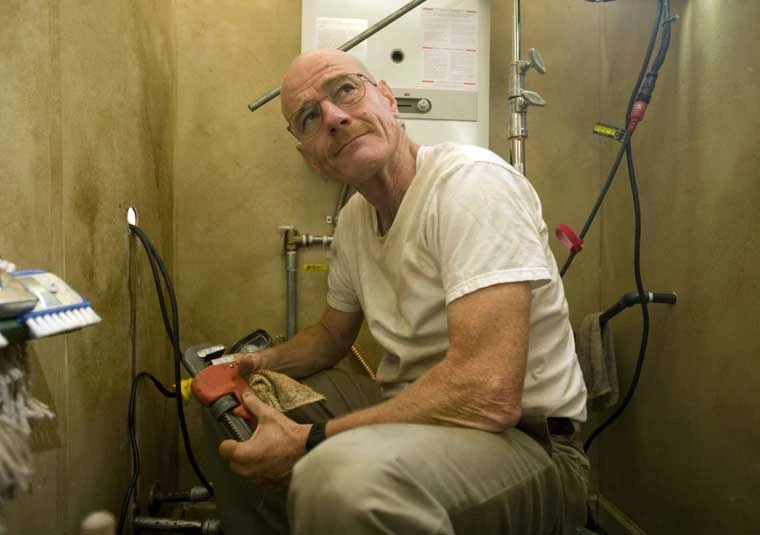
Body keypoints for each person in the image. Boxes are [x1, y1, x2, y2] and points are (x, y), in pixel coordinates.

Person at [218, 48, 590, 535]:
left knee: (337, 479)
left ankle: (331, 497)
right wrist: (256, 364)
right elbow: (331, 336)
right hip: (418, 415)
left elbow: (487, 393)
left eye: (345, 90)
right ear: (309, 156)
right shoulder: (354, 220)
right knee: (233, 405)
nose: (333, 117)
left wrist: (311, 439)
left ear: (389, 100)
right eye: (309, 117)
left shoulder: (472, 184)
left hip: (527, 444)